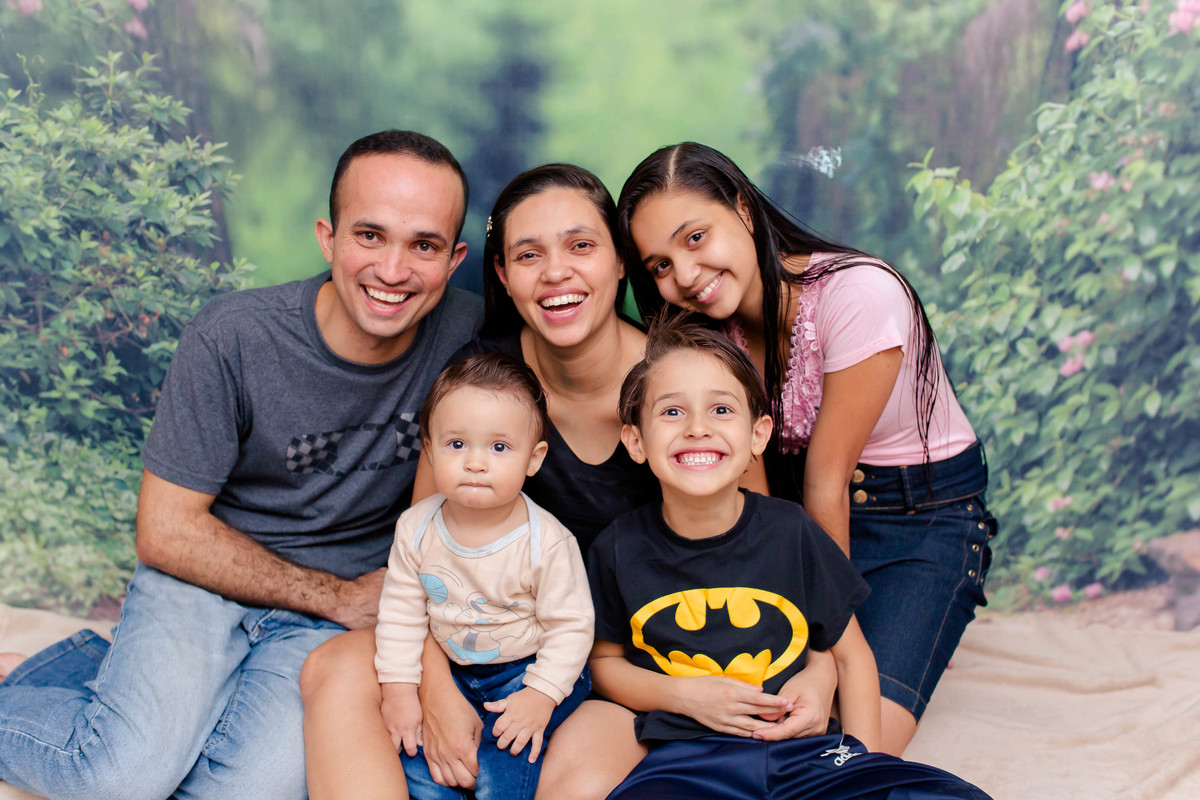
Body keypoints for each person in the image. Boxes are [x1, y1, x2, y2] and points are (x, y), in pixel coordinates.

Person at [302, 164, 841, 800]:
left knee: (578, 775)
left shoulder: (690, 387)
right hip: (487, 643)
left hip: (625, 671)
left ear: (619, 263)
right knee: (334, 667)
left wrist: (821, 667)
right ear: (503, 275)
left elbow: (768, 549)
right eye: (529, 255)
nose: (556, 272)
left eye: (581, 246)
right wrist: (435, 688)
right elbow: (421, 558)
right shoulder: (482, 381)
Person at [0, 129, 483, 800]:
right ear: (328, 237)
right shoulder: (234, 334)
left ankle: (105, 685)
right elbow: (165, 531)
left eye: (423, 246)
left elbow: (589, 359)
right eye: (370, 236)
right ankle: (67, 694)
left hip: (323, 628)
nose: (394, 270)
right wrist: (338, 597)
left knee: (246, 794)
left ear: (456, 258)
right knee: (121, 779)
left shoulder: (472, 336)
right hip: (207, 583)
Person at [616, 141, 998, 756]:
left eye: (694, 238)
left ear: (742, 208)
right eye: (659, 265)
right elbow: (752, 491)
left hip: (918, 523)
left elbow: (827, 477)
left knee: (852, 738)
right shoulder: (713, 335)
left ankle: (923, 613)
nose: (683, 276)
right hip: (807, 526)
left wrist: (822, 655)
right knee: (764, 717)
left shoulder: (859, 295)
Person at [588, 317, 992, 799]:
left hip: (803, 751)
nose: (698, 428)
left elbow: (853, 657)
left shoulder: (791, 532)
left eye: (721, 409)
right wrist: (681, 696)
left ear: (757, 436)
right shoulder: (617, 548)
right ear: (636, 440)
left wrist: (864, 762)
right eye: (672, 413)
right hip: (686, 763)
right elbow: (603, 664)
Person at [376, 352, 593, 800]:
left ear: (533, 459)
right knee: (418, 762)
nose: (476, 462)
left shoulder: (546, 542)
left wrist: (541, 695)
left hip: (531, 670)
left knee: (503, 764)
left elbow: (571, 628)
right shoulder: (415, 528)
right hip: (456, 672)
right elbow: (400, 613)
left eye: (499, 447)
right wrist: (399, 690)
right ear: (430, 450)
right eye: (457, 445)